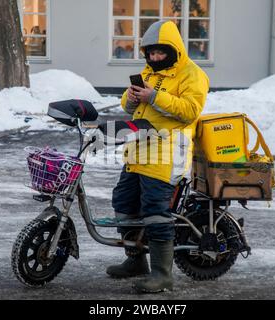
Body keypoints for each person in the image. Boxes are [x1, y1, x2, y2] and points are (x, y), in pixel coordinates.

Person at [106, 20, 210, 293]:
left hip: (167, 154)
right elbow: (132, 109)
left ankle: (162, 274)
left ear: (174, 50)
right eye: (150, 53)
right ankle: (136, 261)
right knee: (124, 204)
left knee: (155, 212)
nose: (154, 58)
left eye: (160, 52)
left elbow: (189, 110)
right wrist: (130, 98)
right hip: (138, 150)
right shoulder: (149, 72)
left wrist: (154, 97)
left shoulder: (192, 74)